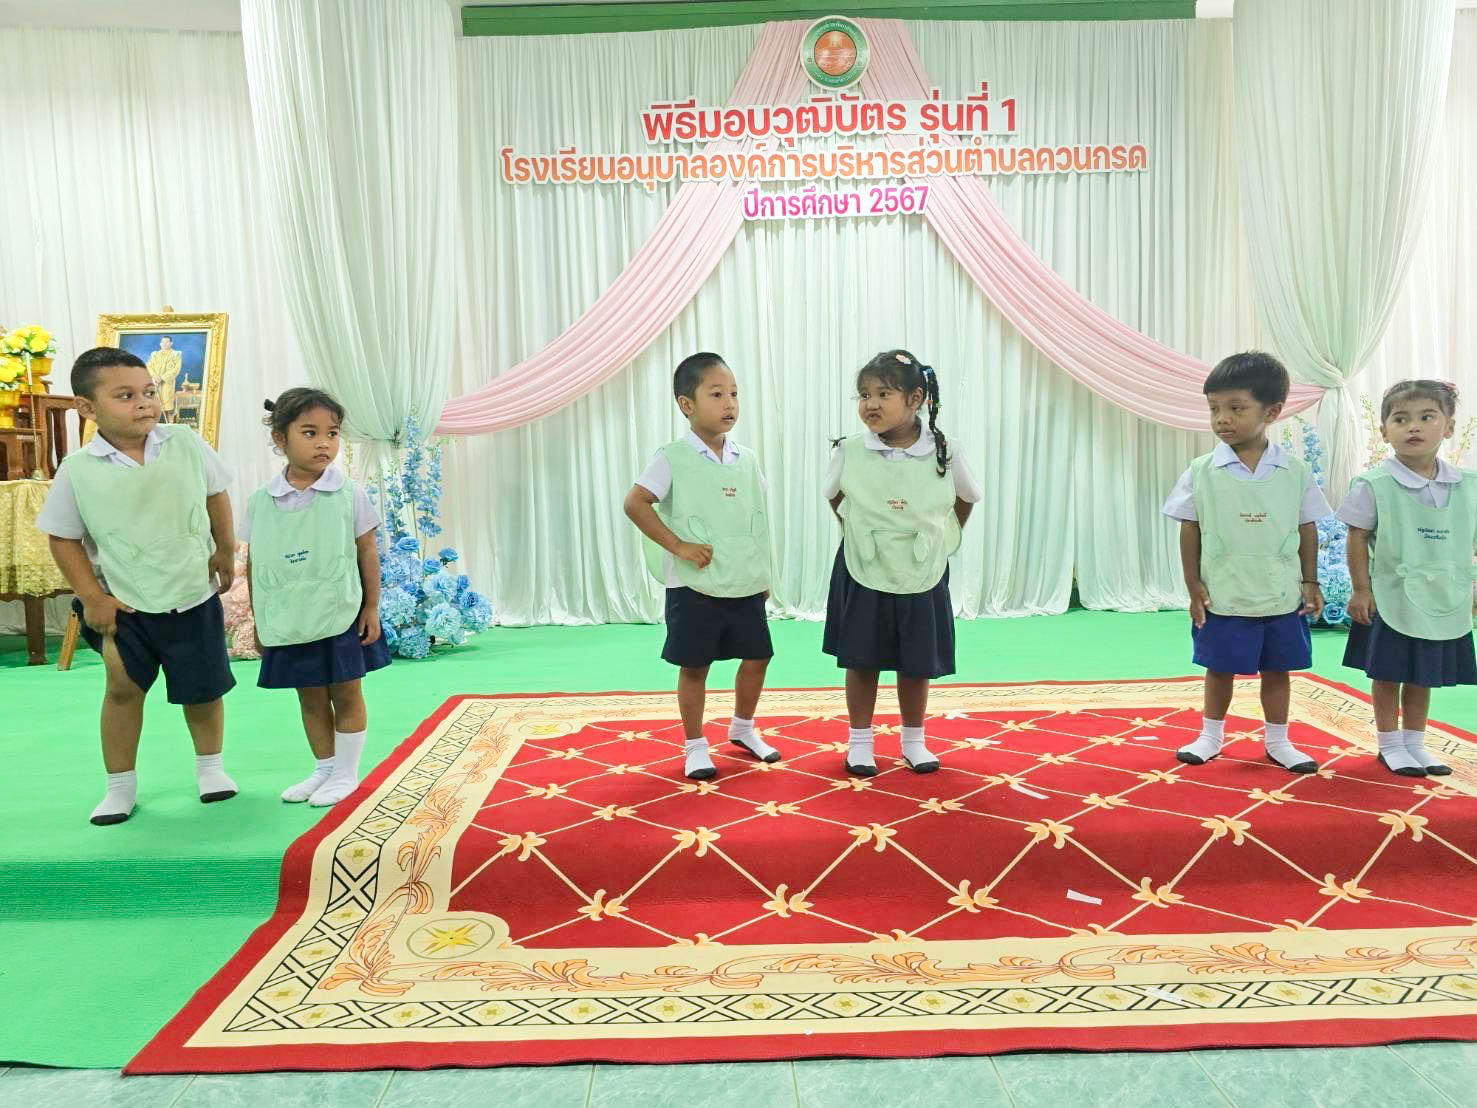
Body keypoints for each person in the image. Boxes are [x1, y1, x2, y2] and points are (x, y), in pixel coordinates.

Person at [37, 347, 237, 825]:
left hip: (192, 592)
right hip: (124, 604)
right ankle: (119, 786)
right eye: (125, 396)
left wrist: (225, 549)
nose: (144, 403)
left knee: (202, 690)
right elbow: (62, 538)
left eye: (149, 392)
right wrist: (92, 597)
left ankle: (210, 768)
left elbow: (215, 494)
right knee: (122, 688)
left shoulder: (185, 443)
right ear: (87, 408)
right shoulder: (78, 469)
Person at [1163, 351, 1331, 773]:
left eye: (1236, 408)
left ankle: (1278, 741)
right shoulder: (1201, 471)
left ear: (1271, 412)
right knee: (1218, 668)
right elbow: (1189, 528)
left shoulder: (1294, 471)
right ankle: (1210, 736)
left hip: (1280, 592)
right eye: (1214, 408)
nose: (1222, 419)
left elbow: (1307, 527)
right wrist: (1193, 584)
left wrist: (1310, 582)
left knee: (1278, 669)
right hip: (1224, 590)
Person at [823, 349, 979, 777]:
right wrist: (860, 530)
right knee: (861, 658)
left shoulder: (944, 451)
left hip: (922, 569)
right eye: (864, 395)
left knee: (916, 659)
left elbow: (966, 498)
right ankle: (860, 742)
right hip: (863, 567)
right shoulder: (850, 449)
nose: (870, 404)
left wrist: (938, 537)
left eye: (883, 394)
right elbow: (834, 496)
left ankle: (914, 740)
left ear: (915, 399)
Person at [623, 352, 779, 780]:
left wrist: (763, 573)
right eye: (716, 394)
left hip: (744, 580)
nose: (729, 403)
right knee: (695, 666)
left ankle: (742, 729)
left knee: (758, 657)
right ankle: (695, 745)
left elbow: (756, 519)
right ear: (686, 404)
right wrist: (678, 545)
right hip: (693, 585)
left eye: (734, 394)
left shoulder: (746, 459)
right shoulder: (672, 458)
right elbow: (636, 503)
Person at [244, 388, 390, 806]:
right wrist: (260, 620)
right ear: (280, 438)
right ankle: (324, 769)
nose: (324, 443)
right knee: (308, 694)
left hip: (339, 611)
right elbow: (257, 563)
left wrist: (371, 606)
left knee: (346, 691)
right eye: (309, 433)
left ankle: (346, 774)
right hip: (290, 618)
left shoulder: (348, 494)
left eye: (332, 433)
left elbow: (367, 551)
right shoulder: (261, 501)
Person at [1339, 380, 1476, 777]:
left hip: (1444, 597)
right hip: (1392, 597)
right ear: (1384, 431)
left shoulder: (1469, 486)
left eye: (1427, 417)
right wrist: (1361, 590)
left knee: (1423, 674)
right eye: (1400, 419)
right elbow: (1357, 536)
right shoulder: (1374, 484)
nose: (1413, 426)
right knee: (1389, 672)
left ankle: (1415, 743)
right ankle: (1390, 745)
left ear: (1449, 427)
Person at [146, 336, 182, 424]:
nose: (165, 344)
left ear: (171, 343)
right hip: (155, 383)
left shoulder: (176, 354)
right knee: (154, 406)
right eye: (163, 342)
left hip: (167, 384)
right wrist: (154, 376)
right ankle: (153, 426)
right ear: (160, 344)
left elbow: (176, 369)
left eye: (167, 342)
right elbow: (149, 366)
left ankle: (170, 426)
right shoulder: (155, 355)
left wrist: (162, 378)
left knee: (168, 407)